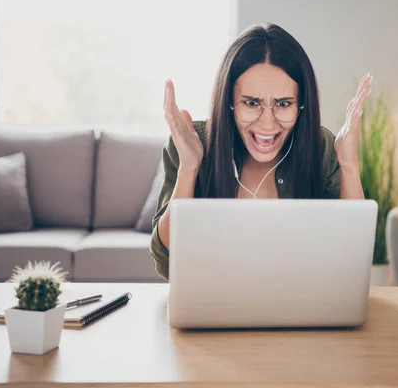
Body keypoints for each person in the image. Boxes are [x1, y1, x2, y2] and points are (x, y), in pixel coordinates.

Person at [150, 22, 372, 280]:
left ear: (301, 105)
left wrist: (349, 164)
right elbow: (167, 263)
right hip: (214, 313)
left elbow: (352, 258)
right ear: (229, 102)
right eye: (252, 103)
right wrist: (189, 167)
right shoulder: (192, 142)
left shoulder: (320, 146)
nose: (267, 124)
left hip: (301, 313)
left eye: (283, 103)